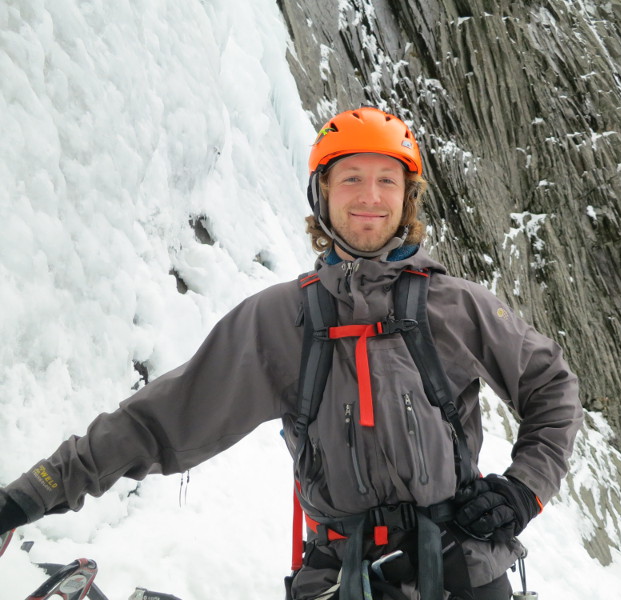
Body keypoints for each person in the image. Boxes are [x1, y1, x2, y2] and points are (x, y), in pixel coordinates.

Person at [0, 107, 583, 599]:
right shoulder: (281, 321)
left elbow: (550, 387)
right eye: (350, 179)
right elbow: (157, 423)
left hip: (462, 569)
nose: (369, 198)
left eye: (387, 180)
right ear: (322, 195)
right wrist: (27, 497)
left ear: (407, 199)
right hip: (341, 577)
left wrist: (522, 490)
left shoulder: (456, 305)